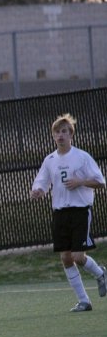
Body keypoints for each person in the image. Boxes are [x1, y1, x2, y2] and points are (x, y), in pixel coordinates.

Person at [30, 114, 107, 311]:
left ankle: (100, 274)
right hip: (60, 213)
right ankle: (84, 301)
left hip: (80, 211)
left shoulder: (82, 157)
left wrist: (80, 182)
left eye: (64, 131)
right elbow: (42, 181)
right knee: (65, 258)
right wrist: (38, 190)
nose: (60, 135)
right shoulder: (50, 160)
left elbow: (100, 182)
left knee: (78, 256)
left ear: (71, 134)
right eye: (57, 132)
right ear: (53, 136)